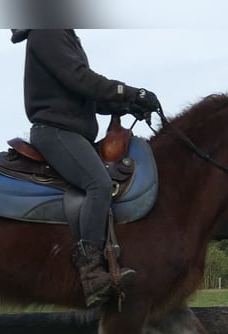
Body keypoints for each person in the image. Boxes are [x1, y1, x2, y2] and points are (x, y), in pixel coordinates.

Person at [11, 29, 160, 308]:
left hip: (73, 134)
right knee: (99, 184)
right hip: (56, 132)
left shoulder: (62, 32)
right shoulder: (47, 31)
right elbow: (79, 78)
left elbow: (88, 95)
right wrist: (130, 91)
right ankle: (92, 274)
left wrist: (128, 103)